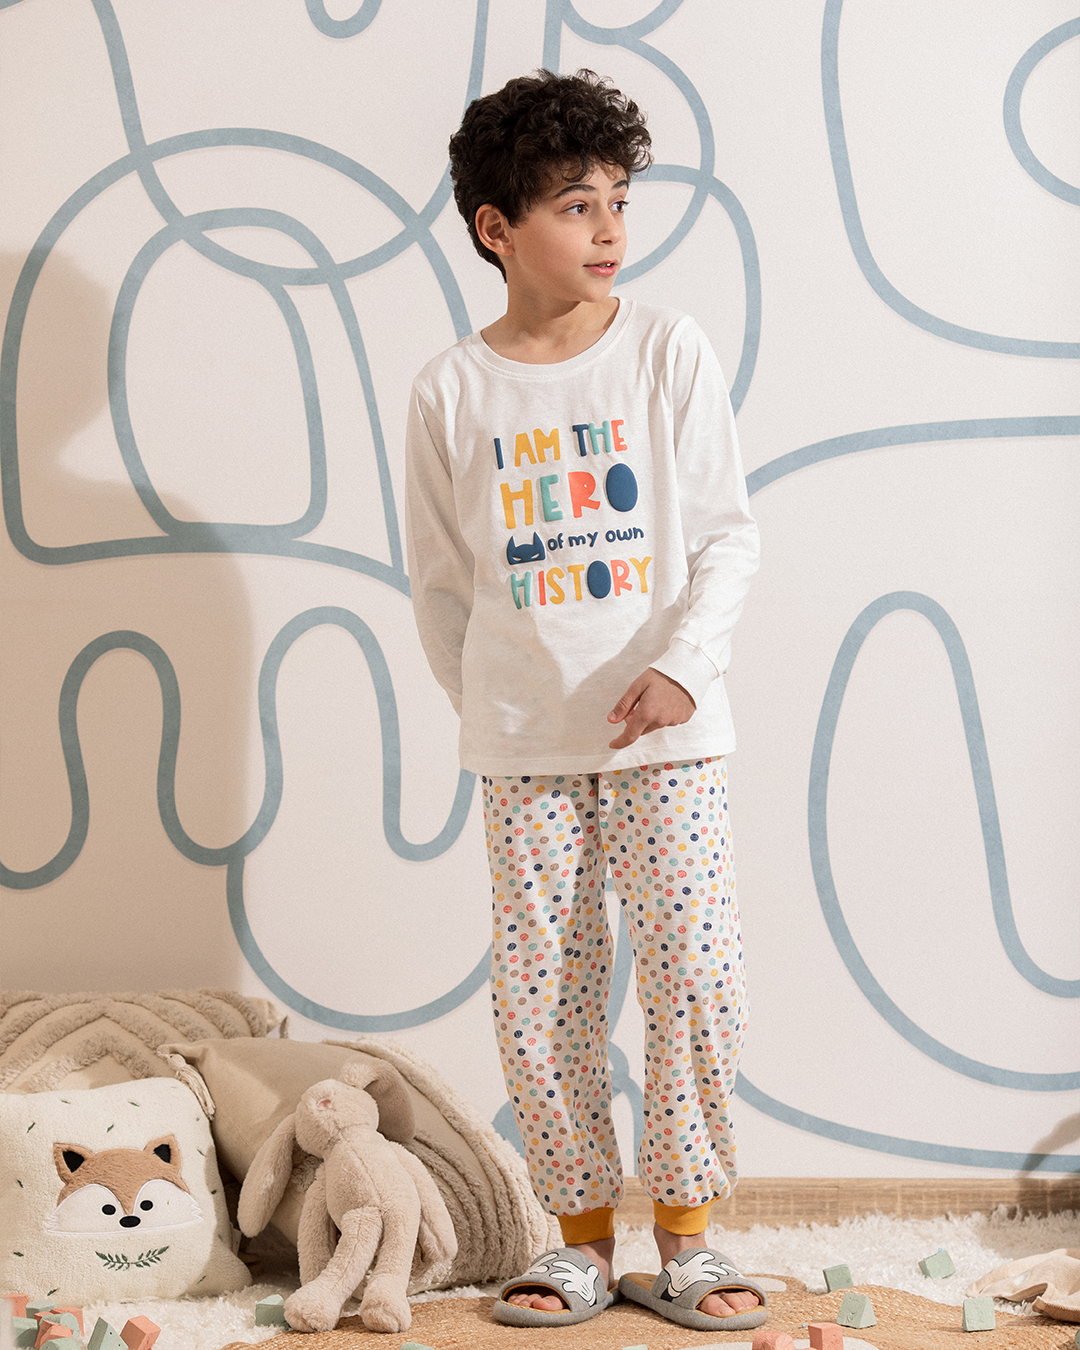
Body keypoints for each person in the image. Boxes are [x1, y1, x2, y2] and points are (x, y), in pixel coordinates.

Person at [405, 69, 765, 1335]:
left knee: (694, 979)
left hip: (669, 737)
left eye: (619, 200)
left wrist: (685, 668)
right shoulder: (452, 390)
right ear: (497, 227)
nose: (610, 229)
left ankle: (687, 1240)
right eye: (575, 205)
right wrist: (496, 708)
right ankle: (580, 1245)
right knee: (542, 995)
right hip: (524, 752)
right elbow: (441, 586)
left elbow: (726, 536)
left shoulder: (666, 350)